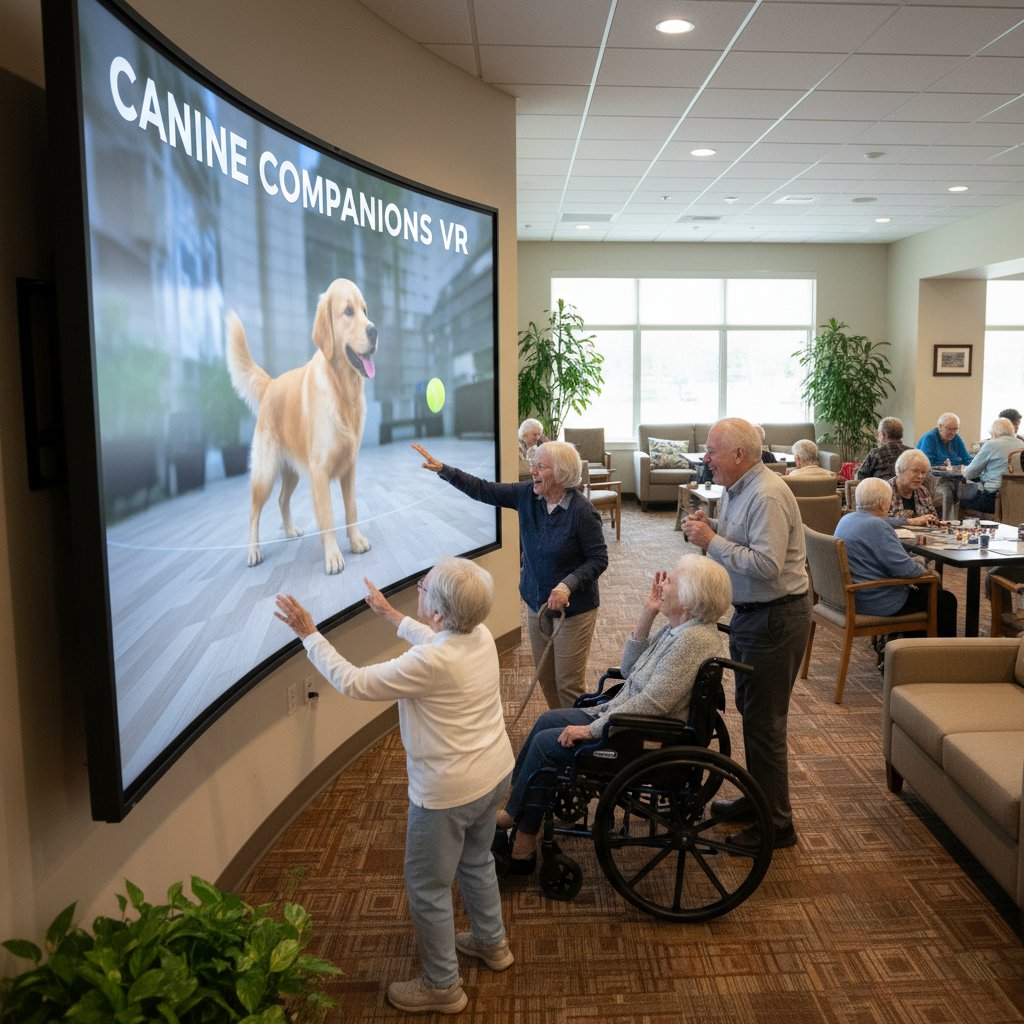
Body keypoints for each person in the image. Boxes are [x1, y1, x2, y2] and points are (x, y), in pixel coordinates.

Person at [274, 558, 515, 1015]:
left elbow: (353, 681)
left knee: (427, 888)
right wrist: (390, 615)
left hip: (448, 793)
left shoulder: (430, 662)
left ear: (440, 612)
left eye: (423, 586)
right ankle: (492, 943)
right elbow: (434, 639)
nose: (418, 587)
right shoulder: (477, 634)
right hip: (495, 772)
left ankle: (443, 986)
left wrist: (309, 633)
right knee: (477, 859)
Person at [493, 554, 732, 868]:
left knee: (546, 746)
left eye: (671, 580)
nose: (663, 583)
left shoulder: (693, 641)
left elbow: (653, 705)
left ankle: (522, 840)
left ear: (688, 599)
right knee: (547, 721)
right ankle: (518, 807)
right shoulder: (681, 629)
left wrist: (592, 729)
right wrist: (648, 612)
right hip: (625, 718)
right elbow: (632, 669)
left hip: (640, 735)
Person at [682, 418, 810, 852]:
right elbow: (741, 541)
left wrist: (712, 539)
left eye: (712, 451)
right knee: (754, 716)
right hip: (755, 616)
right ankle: (760, 801)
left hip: (775, 618)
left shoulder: (767, 494)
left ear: (739, 455)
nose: (705, 458)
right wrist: (711, 526)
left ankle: (776, 825)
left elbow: (766, 565)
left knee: (764, 724)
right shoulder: (740, 490)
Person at [413, 440, 608, 709]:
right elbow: (483, 489)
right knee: (547, 680)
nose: (533, 471)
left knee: (568, 684)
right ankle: (559, 728)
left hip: (574, 611)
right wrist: (444, 470)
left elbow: (599, 559)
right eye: (533, 464)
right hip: (535, 602)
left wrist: (567, 585)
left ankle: (579, 737)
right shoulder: (527, 495)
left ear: (561, 474)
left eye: (540, 466)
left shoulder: (582, 512)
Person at [836, 478, 958, 640]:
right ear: (882, 503)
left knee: (927, 591)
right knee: (945, 600)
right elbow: (907, 570)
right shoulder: (877, 526)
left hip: (853, 595)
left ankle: (906, 649)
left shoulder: (847, 519)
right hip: (877, 600)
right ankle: (940, 658)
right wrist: (924, 568)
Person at [961, 416, 1021, 514]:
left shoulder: (991, 444)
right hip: (1017, 498)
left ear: (995, 433)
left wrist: (964, 470)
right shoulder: (1021, 444)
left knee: (961, 500)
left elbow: (969, 474)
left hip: (993, 500)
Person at [916, 412, 970, 519]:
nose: (952, 432)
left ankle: (957, 523)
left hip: (952, 478)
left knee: (966, 489)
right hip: (932, 479)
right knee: (947, 490)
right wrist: (945, 467)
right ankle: (947, 523)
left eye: (955, 429)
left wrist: (976, 465)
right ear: (940, 427)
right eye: (949, 429)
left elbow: (966, 458)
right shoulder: (930, 438)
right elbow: (927, 464)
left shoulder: (956, 439)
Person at [887, 448, 938, 527]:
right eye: (915, 471)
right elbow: (877, 520)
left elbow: (933, 517)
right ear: (901, 470)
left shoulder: (923, 491)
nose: (920, 476)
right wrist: (910, 521)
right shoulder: (884, 491)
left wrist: (934, 521)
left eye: (923, 472)